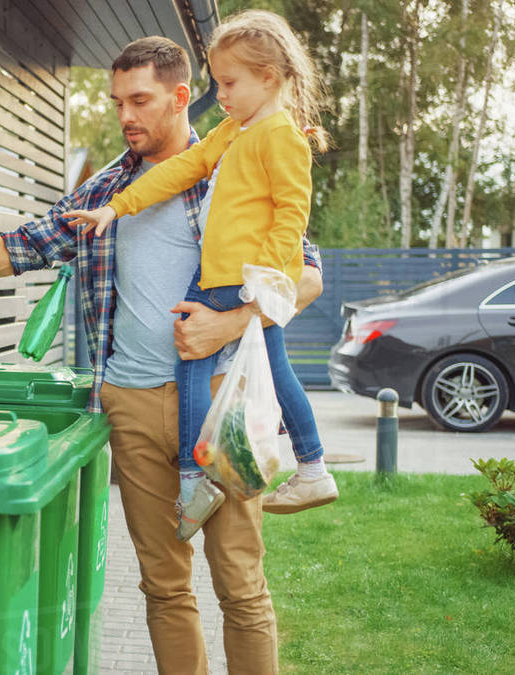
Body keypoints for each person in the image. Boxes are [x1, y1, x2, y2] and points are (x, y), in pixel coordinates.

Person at [0, 35, 323, 674]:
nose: (126, 116)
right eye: (117, 103)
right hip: (130, 405)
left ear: (182, 96)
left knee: (240, 585)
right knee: (164, 586)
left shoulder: (237, 157)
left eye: (140, 100)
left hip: (220, 400)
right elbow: (2, 253)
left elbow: (307, 275)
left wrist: (227, 325)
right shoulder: (103, 192)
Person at [63, 10, 338, 537]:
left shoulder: (281, 137)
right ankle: (310, 467)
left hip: (237, 278)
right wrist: (115, 208)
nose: (224, 94)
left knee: (191, 361)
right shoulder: (234, 131)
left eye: (230, 83)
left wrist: (267, 281)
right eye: (218, 83)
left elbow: (291, 214)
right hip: (228, 274)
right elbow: (180, 169)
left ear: (270, 77)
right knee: (274, 369)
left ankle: (198, 481)